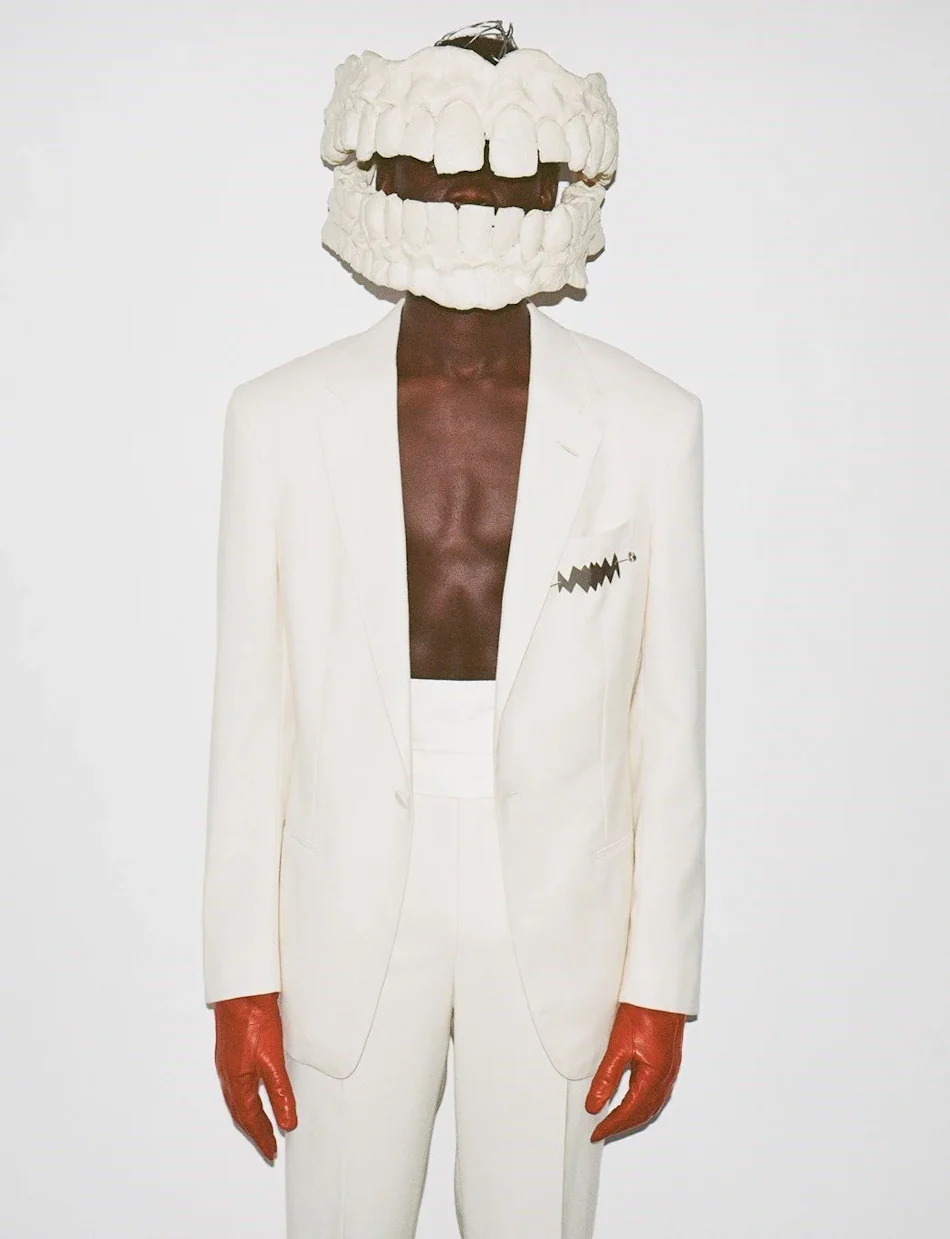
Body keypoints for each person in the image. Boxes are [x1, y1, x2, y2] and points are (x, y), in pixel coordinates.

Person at [203, 20, 707, 1238]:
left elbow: (669, 726)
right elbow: (251, 717)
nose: (472, 192)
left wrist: (659, 982)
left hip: (561, 907)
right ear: (386, 172)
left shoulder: (649, 425)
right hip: (342, 902)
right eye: (443, 164)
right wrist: (239, 977)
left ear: (552, 182)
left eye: (500, 167)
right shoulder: (277, 419)